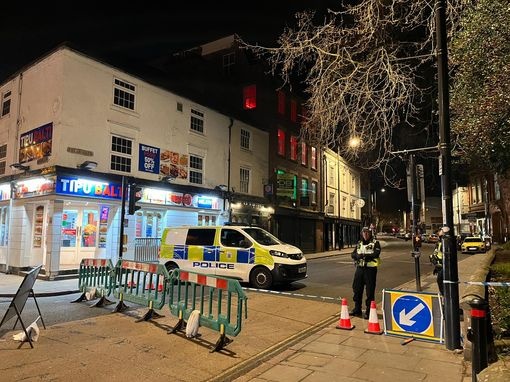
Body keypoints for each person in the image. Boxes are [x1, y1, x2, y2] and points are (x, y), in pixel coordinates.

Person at [350, 226, 381, 319]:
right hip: (359, 270)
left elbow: (376, 254)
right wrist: (357, 256)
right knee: (356, 289)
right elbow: (353, 254)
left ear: (370, 233)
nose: (365, 234)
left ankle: (369, 311)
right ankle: (357, 309)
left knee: (370, 292)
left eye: (367, 232)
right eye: (364, 232)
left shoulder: (376, 243)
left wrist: (363, 255)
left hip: (370, 270)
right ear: (361, 233)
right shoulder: (359, 243)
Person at [429, 227, 445, 296]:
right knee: (440, 281)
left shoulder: (444, 245)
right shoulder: (439, 244)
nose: (438, 236)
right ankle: (443, 295)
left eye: (439, 235)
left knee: (440, 281)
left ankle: (444, 295)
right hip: (440, 266)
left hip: (444, 267)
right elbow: (436, 254)